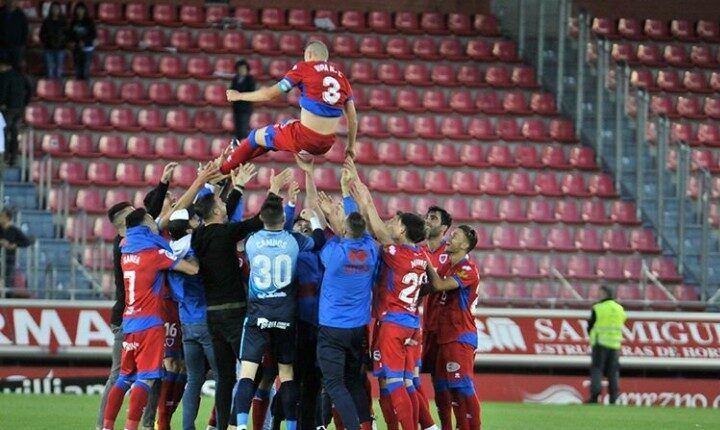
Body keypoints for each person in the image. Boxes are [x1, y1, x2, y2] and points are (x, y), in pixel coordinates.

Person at [191, 168, 293, 430]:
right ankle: (240, 423)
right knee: (255, 372)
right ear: (215, 212)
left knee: (225, 378)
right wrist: (273, 190)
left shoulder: (199, 236)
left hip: (212, 315)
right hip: (235, 313)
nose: (225, 207)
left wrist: (237, 188)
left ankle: (223, 425)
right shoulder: (226, 234)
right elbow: (261, 221)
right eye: (221, 205)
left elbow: (221, 214)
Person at [230, 185, 326, 430]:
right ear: (284, 220)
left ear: (262, 217)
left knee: (248, 374)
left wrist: (277, 197)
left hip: (257, 316)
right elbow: (318, 240)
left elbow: (256, 227)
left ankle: (241, 425)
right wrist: (313, 219)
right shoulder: (293, 240)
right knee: (287, 375)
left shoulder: (251, 241)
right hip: (285, 315)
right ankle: (292, 426)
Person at [347, 162, 428, 430]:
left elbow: (375, 224)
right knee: (403, 382)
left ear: (403, 231)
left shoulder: (397, 253)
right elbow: (378, 227)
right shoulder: (419, 255)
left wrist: (361, 192)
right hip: (412, 325)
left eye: (395, 221)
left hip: (392, 324)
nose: (390, 222)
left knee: (393, 383)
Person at [101, 208, 199, 430]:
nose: (157, 223)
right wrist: (191, 250)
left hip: (129, 321)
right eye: (152, 220)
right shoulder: (155, 255)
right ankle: (131, 427)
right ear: (145, 223)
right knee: (145, 379)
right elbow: (192, 270)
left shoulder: (127, 251)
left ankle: (106, 427)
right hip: (150, 324)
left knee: (124, 378)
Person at [313, 165, 380, 430]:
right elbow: (354, 225)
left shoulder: (335, 254)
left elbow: (327, 240)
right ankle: (366, 425)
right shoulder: (372, 250)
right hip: (357, 330)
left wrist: (327, 218)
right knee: (354, 380)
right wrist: (346, 194)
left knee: (333, 383)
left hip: (332, 328)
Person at [222, 40, 358, 171]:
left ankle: (222, 171)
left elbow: (270, 95)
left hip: (305, 139)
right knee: (284, 126)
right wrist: (350, 147)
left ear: (309, 54)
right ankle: (240, 158)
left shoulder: (304, 68)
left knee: (254, 136)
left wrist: (238, 96)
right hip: (327, 144)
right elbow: (353, 119)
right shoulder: (342, 78)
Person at [426, 226, 481, 430]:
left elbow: (439, 285)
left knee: (462, 386)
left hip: (460, 336)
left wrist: (423, 260)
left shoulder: (468, 269)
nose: (450, 237)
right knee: (442, 387)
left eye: (455, 235)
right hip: (443, 336)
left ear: (465, 245)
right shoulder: (447, 267)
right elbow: (430, 285)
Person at [95, 201, 135, 430]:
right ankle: (102, 426)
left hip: (131, 316)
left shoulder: (125, 241)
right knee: (119, 375)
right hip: (126, 318)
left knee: (140, 376)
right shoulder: (124, 244)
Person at [421, 206, 452, 430]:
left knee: (442, 381)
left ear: (444, 228)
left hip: (445, 327)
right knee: (417, 377)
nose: (427, 221)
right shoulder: (419, 251)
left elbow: (442, 285)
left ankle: (446, 426)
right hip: (424, 325)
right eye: (426, 217)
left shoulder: (450, 254)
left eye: (433, 218)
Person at [587, 285, 626, 405]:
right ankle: (613, 398)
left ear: (604, 294)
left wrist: (593, 335)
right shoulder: (620, 308)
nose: (597, 295)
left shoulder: (598, 308)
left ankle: (595, 397)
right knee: (613, 372)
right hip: (615, 345)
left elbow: (590, 325)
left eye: (599, 293)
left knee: (597, 370)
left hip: (600, 343)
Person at [0, 58, 31, 166]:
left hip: (8, 109)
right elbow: (30, 90)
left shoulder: (5, 76)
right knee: (14, 133)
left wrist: (2, 103)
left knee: (3, 132)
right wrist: (25, 103)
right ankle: (13, 158)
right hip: (19, 109)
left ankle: (5, 156)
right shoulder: (22, 76)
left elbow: (3, 91)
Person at [0, 207, 31, 295]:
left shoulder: (14, 230)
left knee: (7, 282)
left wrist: (14, 244)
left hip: (9, 260)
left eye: (1, 216)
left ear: (7, 218)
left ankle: (6, 300)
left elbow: (27, 241)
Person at [67, 2, 95, 80]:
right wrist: (72, 42)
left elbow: (93, 35)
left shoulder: (89, 22)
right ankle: (79, 90)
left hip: (87, 49)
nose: (80, 11)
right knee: (77, 71)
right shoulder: (73, 22)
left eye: (81, 10)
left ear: (85, 11)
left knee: (86, 71)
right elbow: (70, 35)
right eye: (78, 10)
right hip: (76, 49)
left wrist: (84, 41)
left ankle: (85, 89)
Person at [40, 1, 67, 79]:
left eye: (57, 9)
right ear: (51, 9)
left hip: (60, 49)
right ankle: (50, 89)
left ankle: (57, 89)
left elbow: (67, 35)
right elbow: (41, 35)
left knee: (59, 71)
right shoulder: (46, 21)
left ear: (60, 10)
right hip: (48, 49)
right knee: (49, 71)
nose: (55, 10)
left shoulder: (63, 21)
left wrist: (62, 43)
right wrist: (47, 41)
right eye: (53, 8)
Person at [230, 59, 256, 139]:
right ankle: (237, 145)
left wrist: (239, 95)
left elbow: (251, 92)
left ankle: (243, 145)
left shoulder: (250, 79)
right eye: (240, 69)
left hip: (246, 107)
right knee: (237, 128)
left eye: (243, 69)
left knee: (243, 129)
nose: (242, 70)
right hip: (236, 107)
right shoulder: (235, 79)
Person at [0, 0, 29, 71]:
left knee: (16, 68)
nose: (11, 2)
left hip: (16, 47)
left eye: (14, 1)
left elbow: (25, 31)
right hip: (1, 46)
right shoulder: (1, 12)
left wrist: (22, 45)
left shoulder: (21, 15)